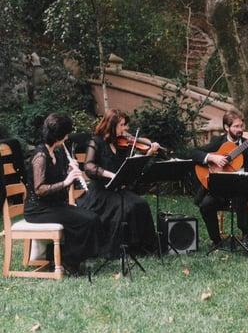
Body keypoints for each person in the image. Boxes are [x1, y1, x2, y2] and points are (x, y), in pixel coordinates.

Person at [24, 113, 102, 273]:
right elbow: (39, 189)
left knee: (91, 216)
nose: (67, 137)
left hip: (54, 205)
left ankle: (66, 258)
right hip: (38, 209)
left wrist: (69, 171)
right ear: (59, 135)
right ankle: (67, 261)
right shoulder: (40, 156)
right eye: (66, 134)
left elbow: (58, 178)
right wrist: (66, 181)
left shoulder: (58, 152)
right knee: (85, 220)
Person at [77, 109, 159, 258]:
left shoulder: (121, 144)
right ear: (111, 125)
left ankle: (140, 247)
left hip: (116, 190)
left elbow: (131, 168)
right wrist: (111, 175)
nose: (125, 129)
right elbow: (88, 166)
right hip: (101, 192)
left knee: (141, 203)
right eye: (122, 125)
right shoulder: (96, 142)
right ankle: (118, 249)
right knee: (127, 206)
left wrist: (147, 155)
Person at [192, 109, 248, 249]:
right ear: (227, 127)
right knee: (205, 205)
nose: (240, 129)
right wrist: (212, 157)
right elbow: (194, 153)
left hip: (243, 189)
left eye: (241, 126)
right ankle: (216, 240)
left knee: (239, 195)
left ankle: (245, 235)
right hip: (220, 189)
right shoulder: (218, 142)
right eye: (236, 126)